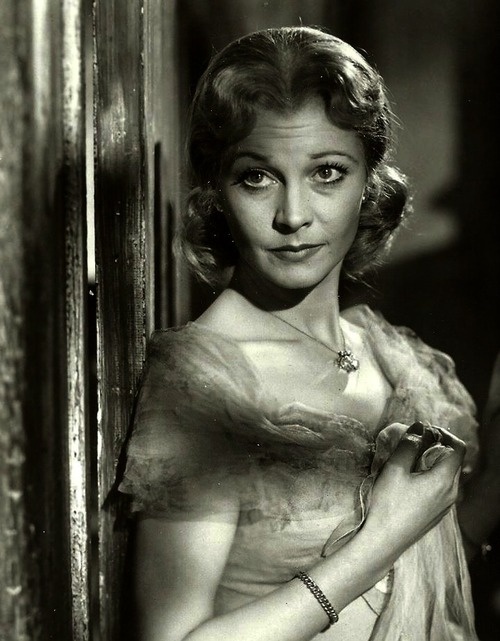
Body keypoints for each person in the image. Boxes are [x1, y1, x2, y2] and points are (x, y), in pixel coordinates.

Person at [118, 26, 500, 640]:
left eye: (327, 172)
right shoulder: (205, 381)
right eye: (257, 178)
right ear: (217, 190)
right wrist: (381, 538)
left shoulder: (392, 355)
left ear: (369, 181)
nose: (293, 216)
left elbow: (418, 584)